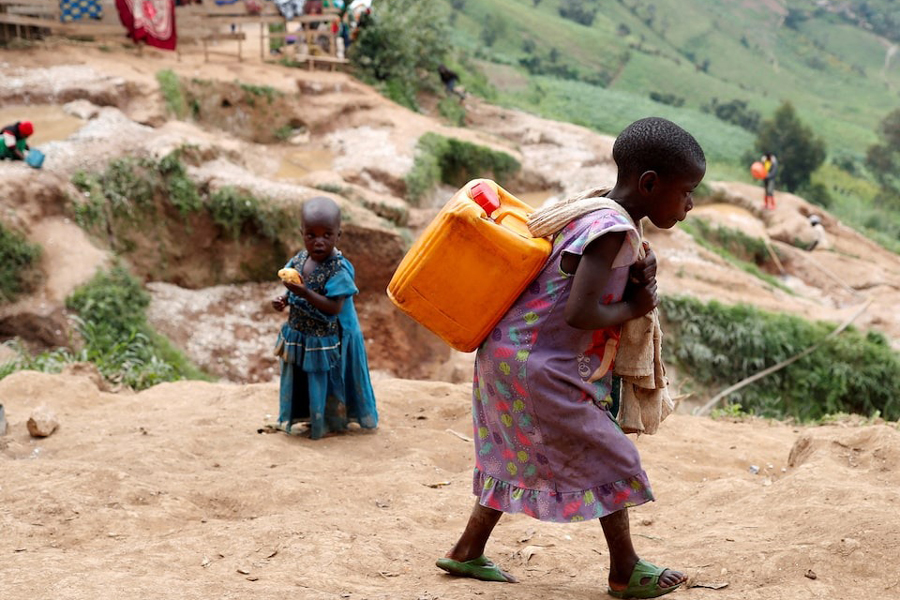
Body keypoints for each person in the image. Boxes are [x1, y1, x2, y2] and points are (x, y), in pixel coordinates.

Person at [436, 117, 706, 599]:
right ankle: (625, 570)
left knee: (510, 452)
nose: (690, 204)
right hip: (539, 367)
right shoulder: (611, 230)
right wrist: (637, 305)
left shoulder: (596, 206)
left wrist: (639, 270)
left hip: (507, 354)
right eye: (686, 192)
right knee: (609, 453)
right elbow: (583, 312)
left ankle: (466, 550)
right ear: (649, 184)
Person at [270, 196, 378, 440]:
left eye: (327, 235)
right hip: (302, 334)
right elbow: (292, 286)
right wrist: (284, 299)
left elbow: (334, 307)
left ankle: (330, 422)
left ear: (338, 235)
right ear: (302, 234)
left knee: (329, 379)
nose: (319, 242)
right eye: (311, 235)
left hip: (330, 337)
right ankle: (309, 416)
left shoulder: (339, 269)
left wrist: (305, 293)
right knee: (304, 377)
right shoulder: (298, 261)